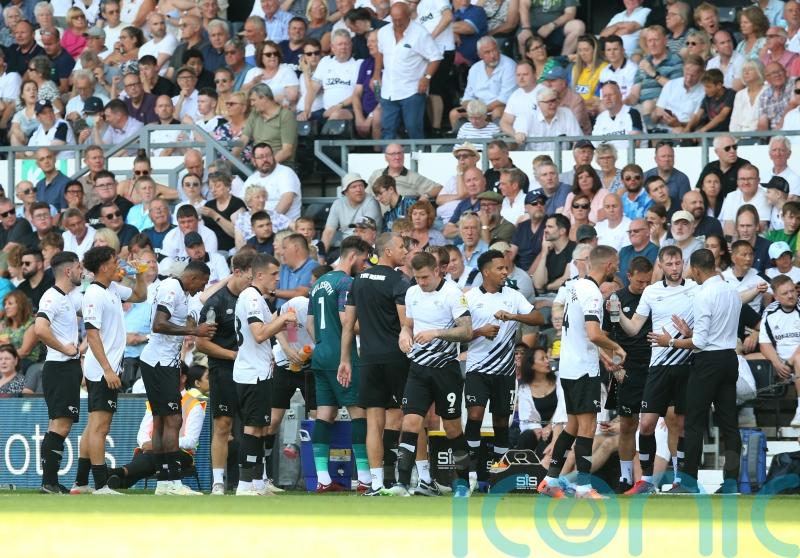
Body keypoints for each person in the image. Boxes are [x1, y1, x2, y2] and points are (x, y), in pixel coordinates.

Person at [650, 249, 742, 493]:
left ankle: (688, 483)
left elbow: (700, 343)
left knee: (693, 423)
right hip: (729, 358)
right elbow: (716, 332)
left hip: (707, 362)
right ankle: (732, 482)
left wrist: (669, 342)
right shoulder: (731, 289)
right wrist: (691, 334)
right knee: (730, 424)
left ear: (698, 270)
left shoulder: (703, 294)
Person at [537, 245, 625, 499]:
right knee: (588, 427)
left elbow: (578, 333)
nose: (617, 267)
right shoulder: (594, 295)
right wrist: (616, 347)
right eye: (616, 263)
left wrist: (604, 356)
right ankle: (584, 488)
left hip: (568, 367)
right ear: (608, 265)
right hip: (583, 370)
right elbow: (593, 334)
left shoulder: (575, 286)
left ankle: (550, 482)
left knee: (573, 426)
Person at [388, 251, 472, 497]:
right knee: (410, 422)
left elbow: (466, 331)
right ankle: (402, 483)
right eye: (417, 278)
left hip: (446, 369)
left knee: (453, 428)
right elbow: (409, 324)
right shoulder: (412, 292)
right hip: (418, 368)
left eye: (425, 277)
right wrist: (404, 334)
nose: (421, 282)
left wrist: (436, 333)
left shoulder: (453, 293)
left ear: (437, 271)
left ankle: (463, 483)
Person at [338, 232, 410, 495]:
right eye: (402, 247)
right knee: (411, 416)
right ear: (387, 251)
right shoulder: (401, 280)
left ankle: (376, 482)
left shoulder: (357, 281)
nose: (406, 251)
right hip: (396, 358)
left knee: (373, 422)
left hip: (367, 360)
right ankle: (409, 479)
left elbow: (348, 325)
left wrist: (345, 359)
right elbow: (406, 325)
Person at [464, 250, 542, 489]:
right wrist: (479, 332)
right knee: (475, 416)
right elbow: (457, 334)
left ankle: (495, 476)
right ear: (486, 271)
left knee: (501, 422)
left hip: (505, 371)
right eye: (500, 268)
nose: (505, 272)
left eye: (506, 268)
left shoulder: (512, 295)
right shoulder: (469, 298)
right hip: (477, 368)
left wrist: (513, 316)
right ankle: (473, 473)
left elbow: (538, 318)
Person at [72, 246, 147, 495]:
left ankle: (81, 483)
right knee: (100, 428)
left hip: (108, 366)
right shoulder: (93, 294)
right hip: (102, 369)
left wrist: (139, 274)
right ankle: (102, 484)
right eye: (116, 261)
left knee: (93, 425)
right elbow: (92, 335)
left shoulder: (112, 288)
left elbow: (140, 296)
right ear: (104, 267)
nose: (120, 265)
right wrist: (108, 370)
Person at [137, 260, 214, 496]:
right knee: (173, 421)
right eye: (203, 282)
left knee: (162, 421)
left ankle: (164, 482)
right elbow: (158, 324)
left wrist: (193, 323)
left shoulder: (182, 293)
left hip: (161, 362)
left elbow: (192, 311)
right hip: (159, 362)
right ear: (194, 277)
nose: (202, 288)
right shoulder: (172, 287)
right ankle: (172, 480)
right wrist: (194, 331)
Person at [307, 236, 371, 492]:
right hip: (341, 357)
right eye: (364, 259)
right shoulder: (347, 282)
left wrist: (324, 344)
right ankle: (365, 478)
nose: (364, 265)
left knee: (325, 413)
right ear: (353, 256)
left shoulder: (320, 282)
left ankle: (322, 479)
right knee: (359, 412)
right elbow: (348, 322)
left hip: (321, 354)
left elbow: (310, 324)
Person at [232, 253, 297, 496]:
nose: (277, 280)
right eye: (273, 275)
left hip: (260, 372)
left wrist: (289, 349)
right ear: (259, 275)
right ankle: (244, 484)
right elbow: (260, 334)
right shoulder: (250, 297)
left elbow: (273, 328)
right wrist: (283, 319)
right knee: (252, 429)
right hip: (252, 374)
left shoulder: (258, 298)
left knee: (260, 429)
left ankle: (258, 483)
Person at [195, 251, 256, 495]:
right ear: (237, 272)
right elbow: (202, 343)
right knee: (223, 425)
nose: (252, 283)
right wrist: (233, 355)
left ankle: (252, 481)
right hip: (224, 370)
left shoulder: (252, 299)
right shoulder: (217, 302)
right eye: (249, 278)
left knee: (254, 426)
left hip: (252, 371)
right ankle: (218, 481)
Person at [602, 256, 653, 491]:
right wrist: (614, 364)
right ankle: (625, 477)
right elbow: (607, 335)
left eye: (648, 281)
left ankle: (653, 476)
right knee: (627, 424)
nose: (644, 286)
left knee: (655, 423)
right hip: (627, 368)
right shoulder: (617, 300)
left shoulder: (655, 297)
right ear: (629, 276)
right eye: (640, 282)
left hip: (654, 366)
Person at [34, 252, 83, 493]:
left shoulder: (68, 298)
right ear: (68, 271)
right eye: (79, 267)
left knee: (58, 424)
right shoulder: (52, 298)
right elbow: (40, 328)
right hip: (60, 366)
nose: (81, 271)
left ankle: (50, 483)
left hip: (65, 367)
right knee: (60, 426)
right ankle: (49, 483)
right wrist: (64, 348)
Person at [375, 0, 442, 139]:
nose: (397, 23)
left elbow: (435, 57)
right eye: (394, 19)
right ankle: (387, 158)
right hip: (389, 90)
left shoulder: (420, 33)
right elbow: (379, 53)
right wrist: (376, 74)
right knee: (387, 129)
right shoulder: (383, 32)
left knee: (413, 128)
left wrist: (427, 78)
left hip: (412, 90)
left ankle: (418, 158)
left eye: (400, 19)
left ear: (409, 16)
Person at [759, 274, 800, 427]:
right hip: (780, 362)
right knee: (744, 361)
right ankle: (744, 411)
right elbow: (764, 343)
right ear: (775, 297)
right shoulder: (770, 313)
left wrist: (790, 362)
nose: (791, 295)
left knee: (799, 360)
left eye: (793, 291)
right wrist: (777, 363)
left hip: (797, 359)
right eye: (785, 293)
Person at [624, 25, 683, 119]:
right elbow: (634, 95)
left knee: (648, 105)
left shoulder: (675, 60)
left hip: (665, 106)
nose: (652, 44)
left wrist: (653, 73)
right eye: (649, 41)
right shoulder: (645, 61)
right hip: (642, 106)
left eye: (656, 40)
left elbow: (677, 89)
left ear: (665, 41)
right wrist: (623, 103)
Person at [322, 173, 382, 252]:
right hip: (346, 249)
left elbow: (366, 233)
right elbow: (328, 232)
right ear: (345, 192)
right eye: (354, 187)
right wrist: (321, 256)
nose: (359, 189)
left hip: (368, 249)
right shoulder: (338, 204)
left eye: (361, 186)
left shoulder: (371, 202)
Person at [368, 144, 442, 199]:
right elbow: (366, 195)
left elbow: (439, 188)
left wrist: (426, 196)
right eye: (393, 154)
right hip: (378, 218)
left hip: (402, 219)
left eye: (399, 153)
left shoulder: (414, 177)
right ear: (386, 157)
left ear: (403, 155)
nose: (397, 157)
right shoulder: (376, 174)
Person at [720, 165, 771, 234]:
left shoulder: (766, 196)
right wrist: (731, 243)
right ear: (737, 181)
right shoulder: (731, 196)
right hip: (734, 242)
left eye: (750, 179)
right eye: (742, 179)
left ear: (758, 180)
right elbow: (728, 227)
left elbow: (759, 228)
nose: (746, 182)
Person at [682, 69, 735, 133]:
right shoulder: (708, 97)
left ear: (719, 85)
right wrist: (687, 128)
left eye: (708, 87)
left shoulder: (730, 94)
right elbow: (697, 115)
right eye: (704, 87)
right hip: (709, 133)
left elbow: (722, 115)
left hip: (725, 133)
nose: (705, 90)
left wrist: (703, 130)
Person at [511, 189, 546, 273]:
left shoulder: (550, 224)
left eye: (542, 203)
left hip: (541, 273)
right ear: (526, 208)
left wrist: (528, 276)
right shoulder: (522, 226)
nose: (539, 205)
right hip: (519, 272)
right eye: (534, 203)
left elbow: (544, 254)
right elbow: (512, 252)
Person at [730, 60, 766, 133]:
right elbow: (735, 121)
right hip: (742, 137)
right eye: (744, 70)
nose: (746, 73)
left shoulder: (767, 91)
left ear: (759, 71)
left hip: (762, 135)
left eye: (750, 69)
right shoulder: (740, 94)